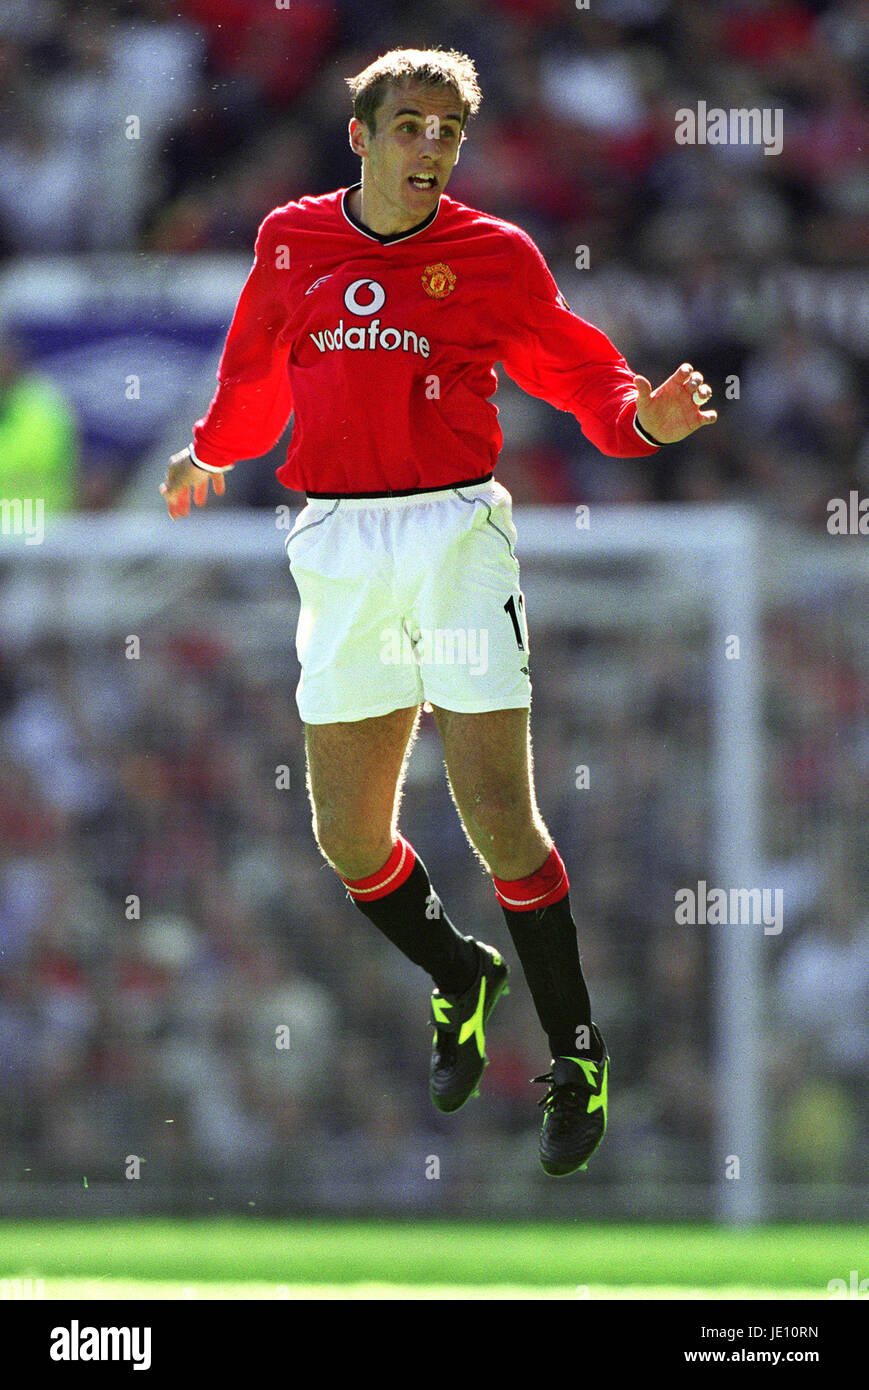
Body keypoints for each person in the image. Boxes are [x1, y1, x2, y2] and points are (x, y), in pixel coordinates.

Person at [159, 48, 717, 1176]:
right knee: (347, 838)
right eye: (408, 126)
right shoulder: (289, 239)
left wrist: (640, 421)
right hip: (335, 543)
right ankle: (460, 973)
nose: (429, 149)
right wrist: (208, 452)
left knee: (497, 818)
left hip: (454, 532)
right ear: (359, 136)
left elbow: (579, 373)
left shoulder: (491, 255)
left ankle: (575, 1054)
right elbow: (256, 373)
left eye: (447, 134)